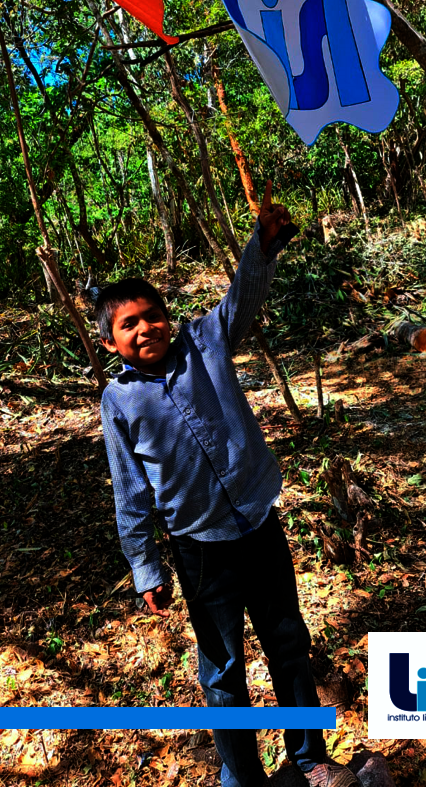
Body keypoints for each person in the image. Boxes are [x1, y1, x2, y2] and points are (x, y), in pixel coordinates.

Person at [95, 183, 359, 787]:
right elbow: (130, 489)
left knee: (288, 643)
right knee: (222, 671)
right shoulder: (119, 399)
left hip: (259, 524)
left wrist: (262, 246)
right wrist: (145, 566)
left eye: (153, 316)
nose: (146, 329)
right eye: (129, 324)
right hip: (200, 550)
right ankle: (241, 777)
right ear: (112, 343)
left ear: (170, 318)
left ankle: (309, 759)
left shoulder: (205, 344)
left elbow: (240, 301)